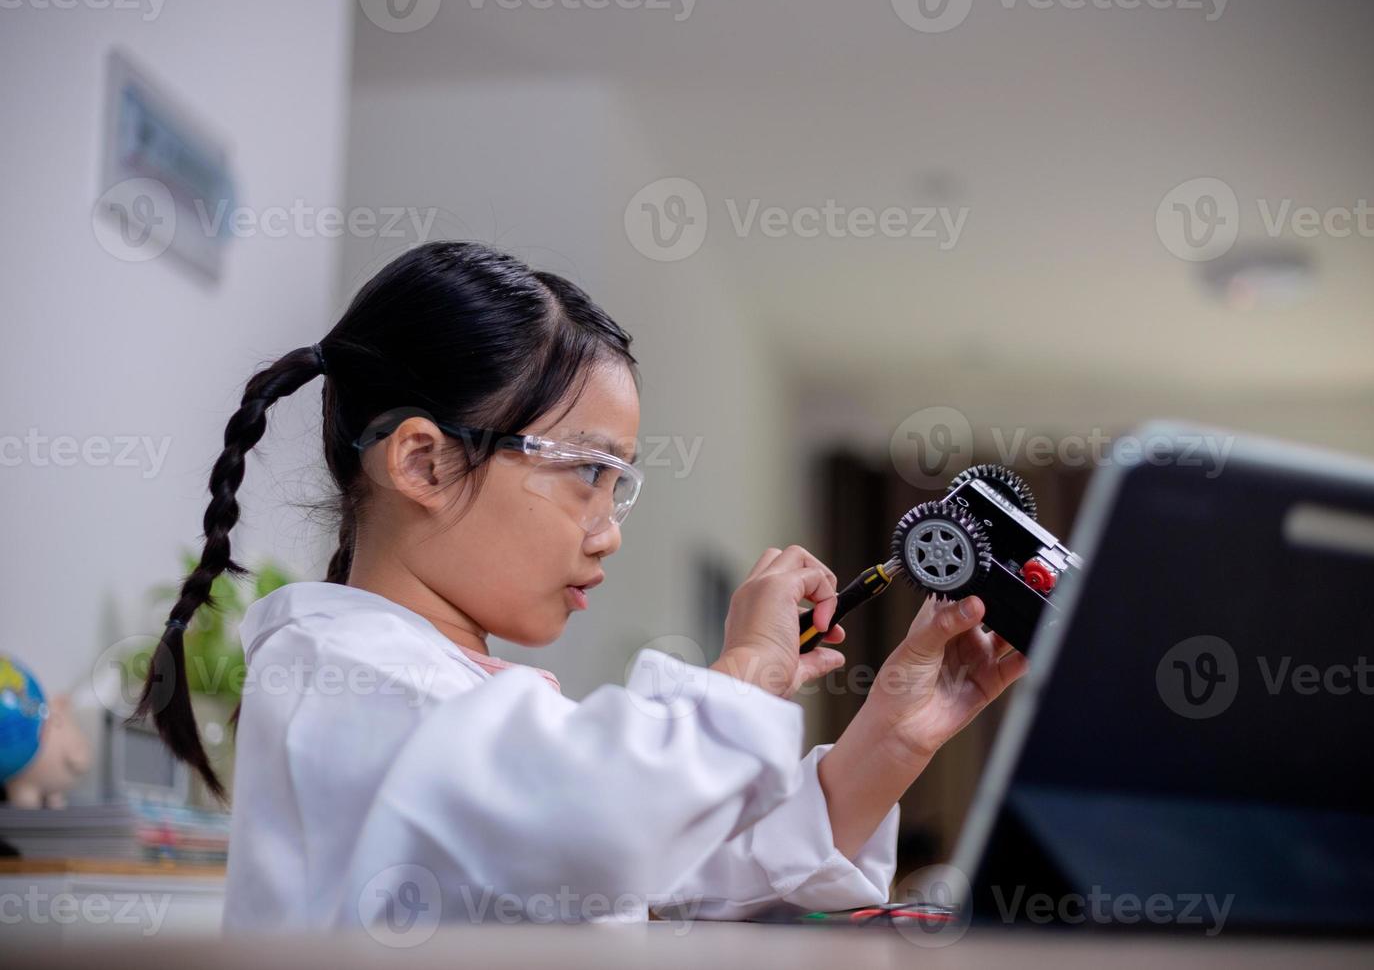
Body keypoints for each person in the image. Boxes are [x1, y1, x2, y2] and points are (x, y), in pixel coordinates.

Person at [132, 241, 1028, 931]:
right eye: (587, 474)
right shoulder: (342, 673)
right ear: (426, 462)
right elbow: (607, 826)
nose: (609, 530)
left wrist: (892, 738)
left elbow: (696, 877)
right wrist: (749, 665)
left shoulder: (466, 699)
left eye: (620, 484)